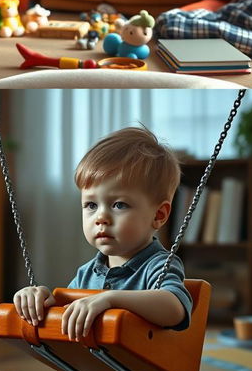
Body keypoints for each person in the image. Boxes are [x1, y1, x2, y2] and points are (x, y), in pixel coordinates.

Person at [12, 127, 192, 341]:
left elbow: (174, 307)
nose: (101, 217)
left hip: (146, 369)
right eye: (90, 205)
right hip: (105, 367)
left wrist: (111, 299)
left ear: (159, 215)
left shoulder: (159, 265)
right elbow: (67, 313)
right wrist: (39, 298)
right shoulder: (87, 274)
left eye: (118, 204)